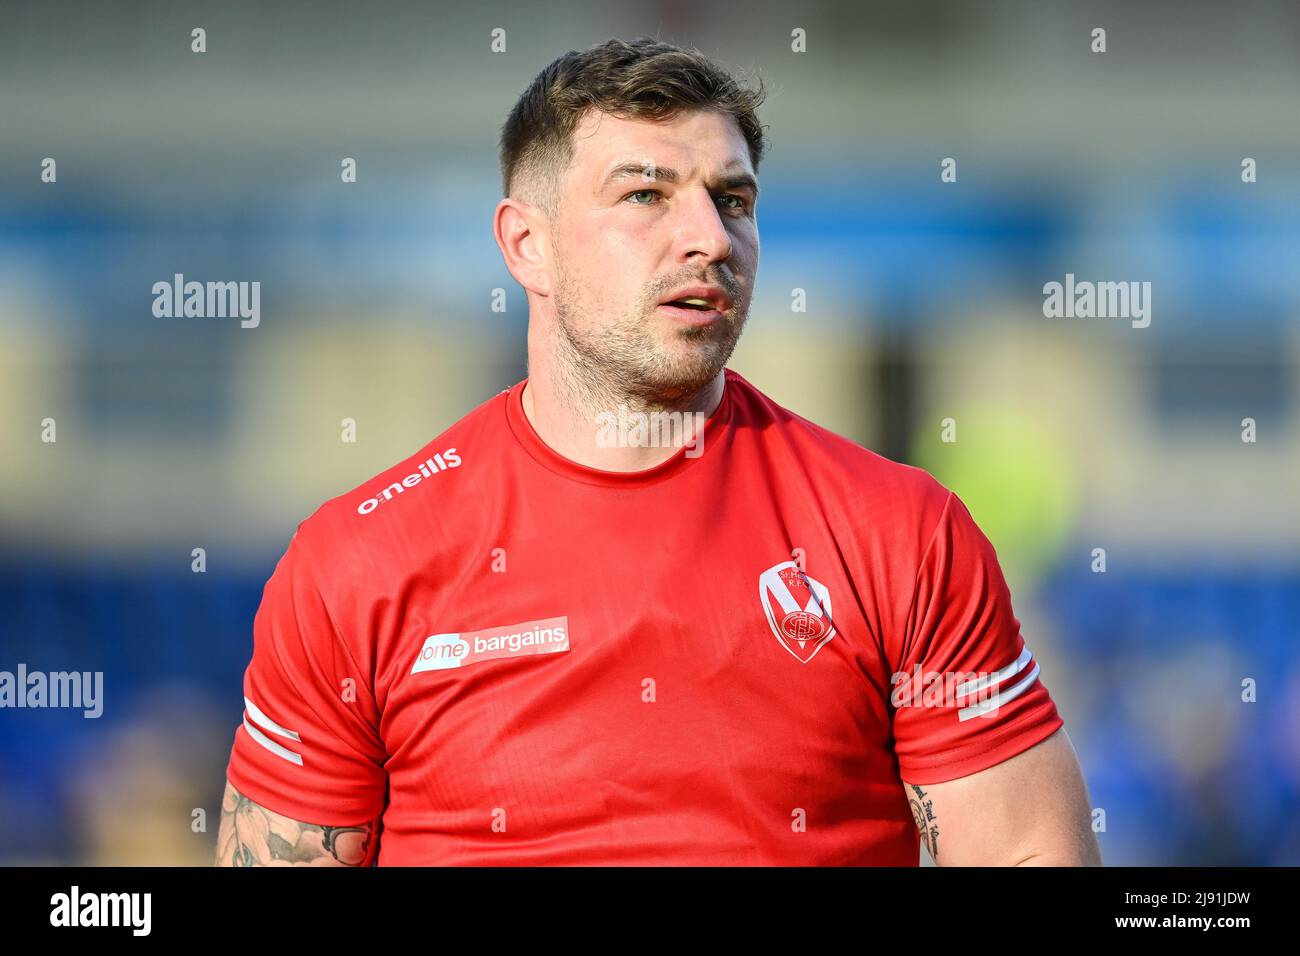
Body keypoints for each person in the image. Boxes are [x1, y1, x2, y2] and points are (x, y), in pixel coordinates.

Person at [215, 36, 1101, 866]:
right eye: (646, 195)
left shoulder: (900, 532)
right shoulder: (358, 562)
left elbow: (1026, 848)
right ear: (528, 245)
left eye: (734, 199)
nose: (711, 239)